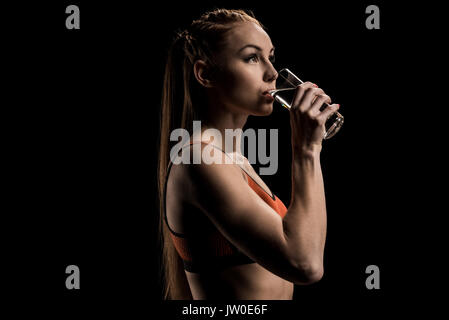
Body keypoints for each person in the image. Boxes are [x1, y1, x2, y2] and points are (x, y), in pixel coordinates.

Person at [157, 8, 340, 300]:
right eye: (252, 58)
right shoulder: (198, 161)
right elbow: (305, 264)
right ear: (205, 74)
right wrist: (307, 149)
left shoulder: (233, 160)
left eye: (271, 57)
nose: (271, 73)